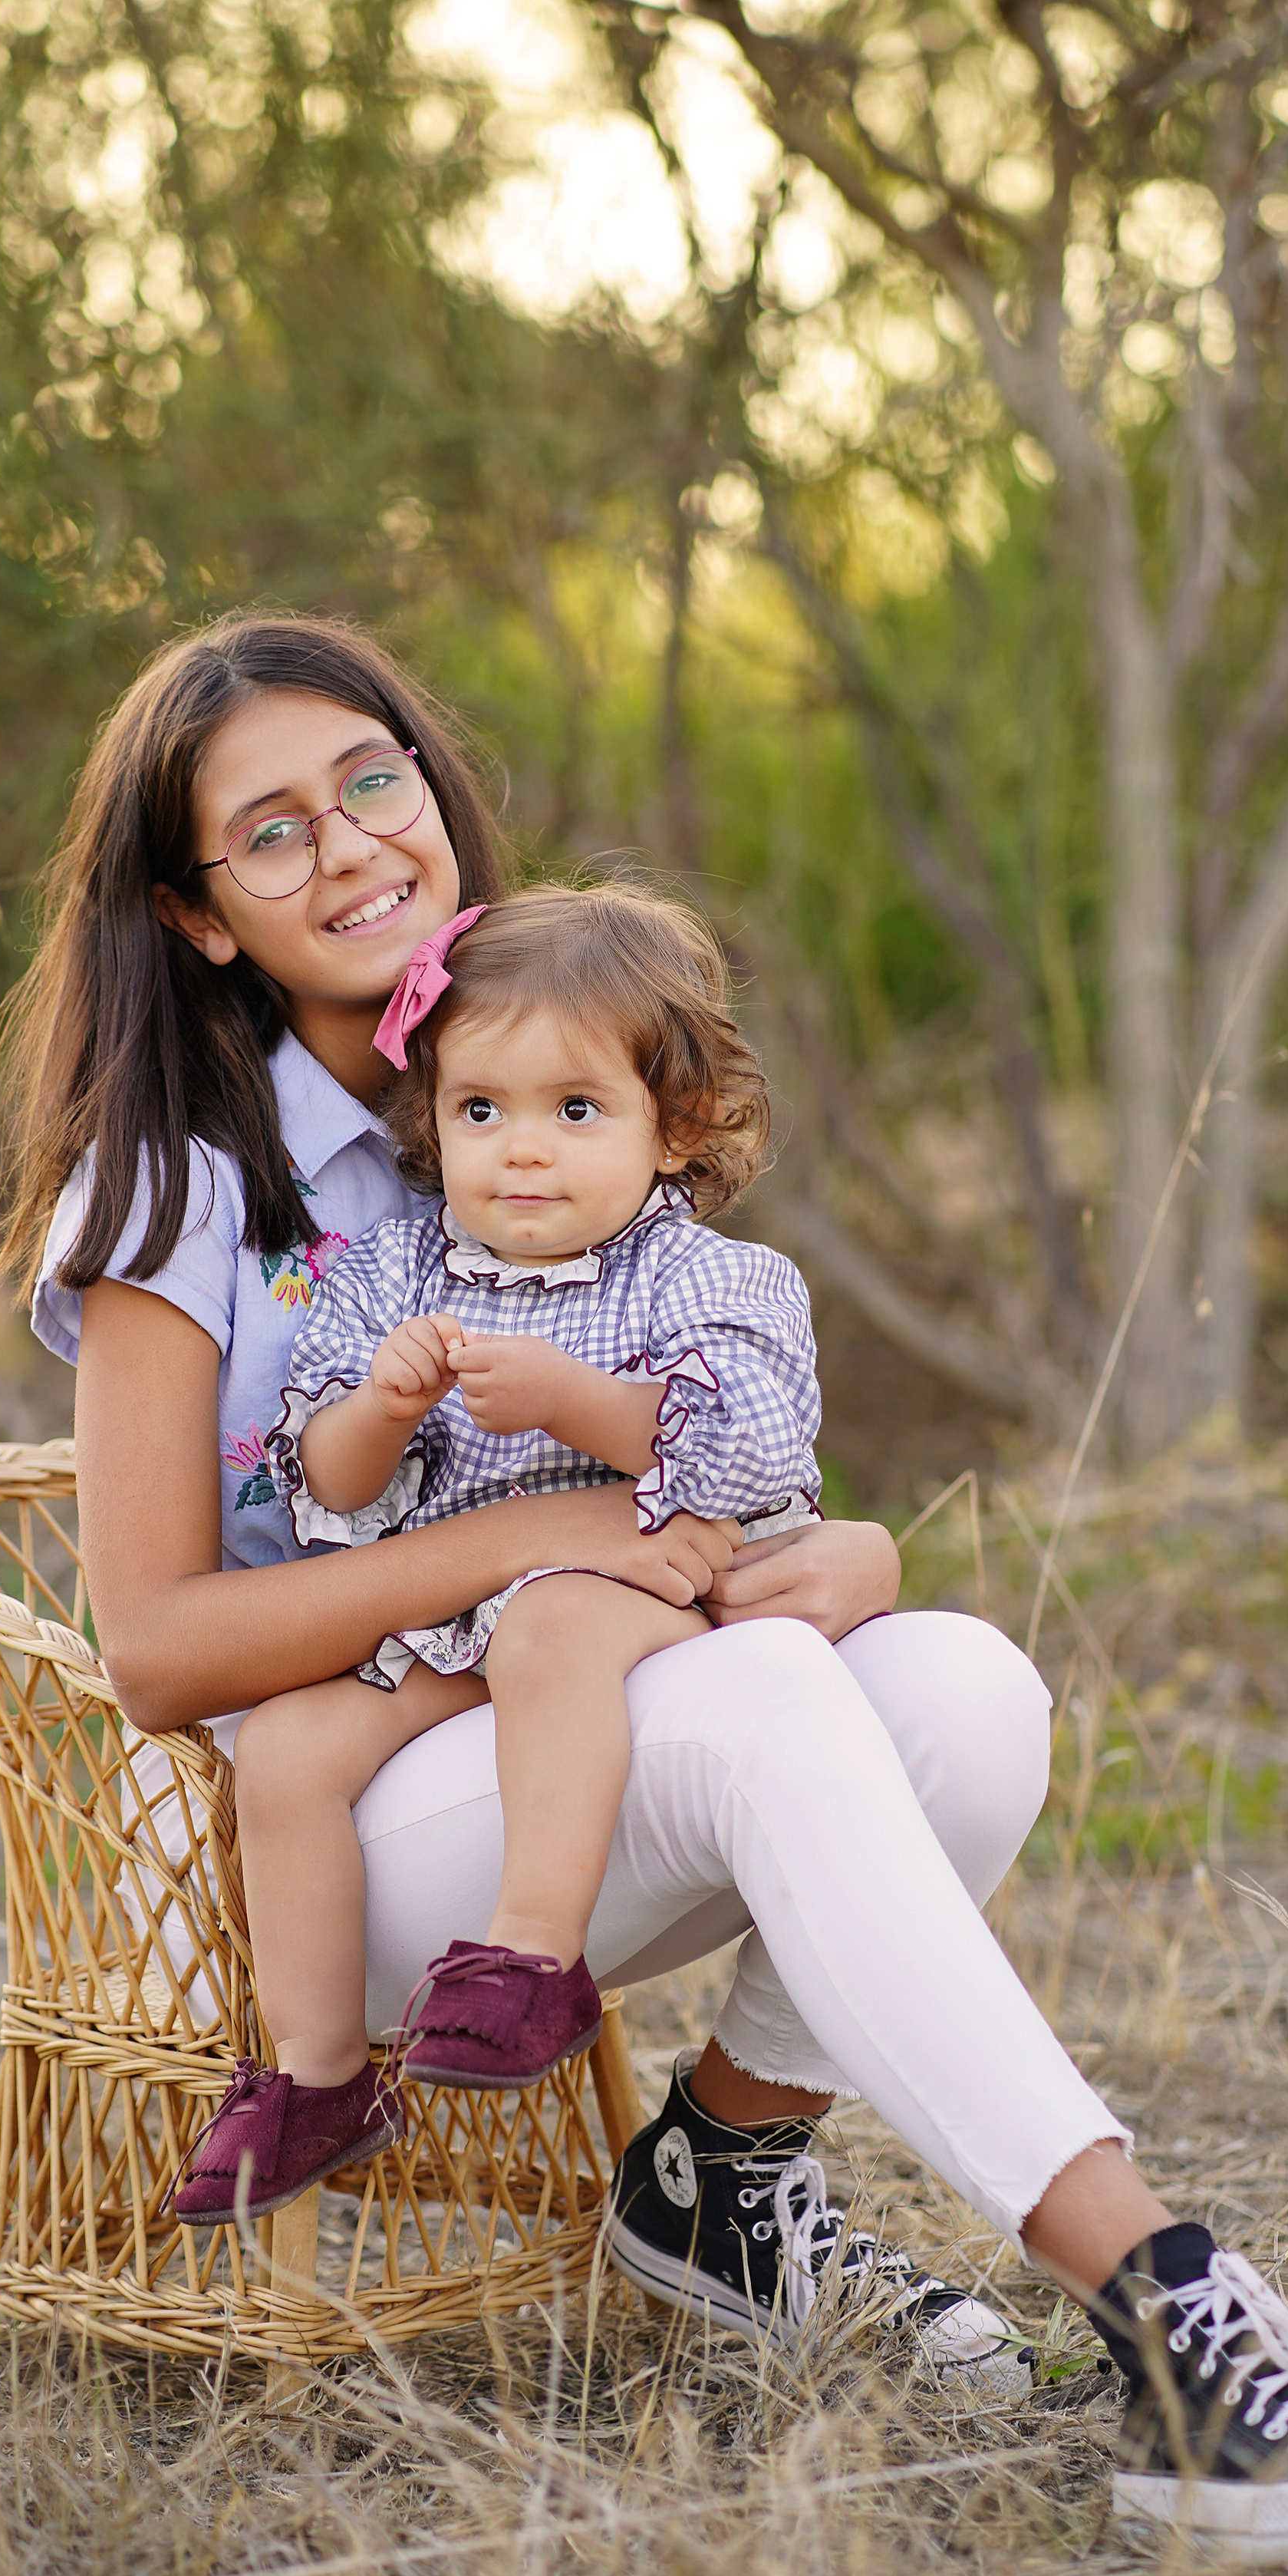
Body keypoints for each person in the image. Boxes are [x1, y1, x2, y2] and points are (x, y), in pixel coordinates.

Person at [0, 608, 1288, 2562]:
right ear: (195, 915)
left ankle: (721, 2179)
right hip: (321, 1843)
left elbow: (688, 1436)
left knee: (959, 1685)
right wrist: (519, 1546)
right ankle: (1171, 2304)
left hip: (570, 1737)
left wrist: (828, 1557)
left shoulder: (551, 1061)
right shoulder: (175, 1190)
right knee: (775, 1705)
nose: (348, 842)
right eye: (268, 832)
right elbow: (158, 1649)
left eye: (374, 781)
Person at [172, 879, 832, 2224]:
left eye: (575, 1110)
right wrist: (383, 1407)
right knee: (292, 1748)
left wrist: (577, 1403)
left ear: (675, 1129)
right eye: (482, 1111)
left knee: (550, 1625)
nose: (522, 1151)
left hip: (633, 1599)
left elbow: (754, 1456)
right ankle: (315, 2075)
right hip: (445, 1625)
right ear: (432, 1120)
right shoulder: (400, 1272)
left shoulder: (699, 1276)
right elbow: (330, 1491)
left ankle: (531, 1956)